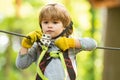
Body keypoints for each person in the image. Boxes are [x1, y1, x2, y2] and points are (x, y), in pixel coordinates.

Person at [16, 3, 97, 80]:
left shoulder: (69, 42)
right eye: (45, 22)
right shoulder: (39, 45)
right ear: (41, 25)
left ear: (64, 26)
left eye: (55, 22)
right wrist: (25, 46)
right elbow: (21, 65)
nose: (49, 25)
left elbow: (93, 44)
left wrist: (71, 43)